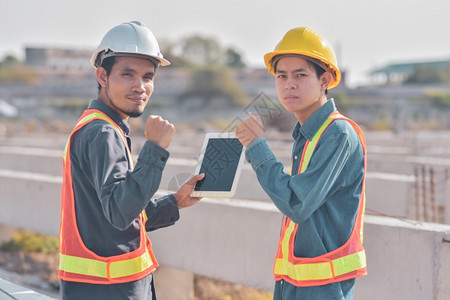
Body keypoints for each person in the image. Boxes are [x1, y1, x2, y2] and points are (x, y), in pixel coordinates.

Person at [58, 21, 204, 300]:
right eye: (127, 74)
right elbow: (119, 211)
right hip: (110, 289)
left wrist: (174, 202)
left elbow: (116, 215)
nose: (140, 86)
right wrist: (155, 149)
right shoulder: (102, 132)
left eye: (148, 77)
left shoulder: (100, 127)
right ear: (102, 76)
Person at [235, 27, 367, 299]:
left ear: (325, 80)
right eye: (281, 76)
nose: (288, 84)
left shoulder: (337, 134)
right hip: (296, 282)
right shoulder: (307, 134)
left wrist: (258, 147)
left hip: (324, 288)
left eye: (300, 75)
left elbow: (297, 203)